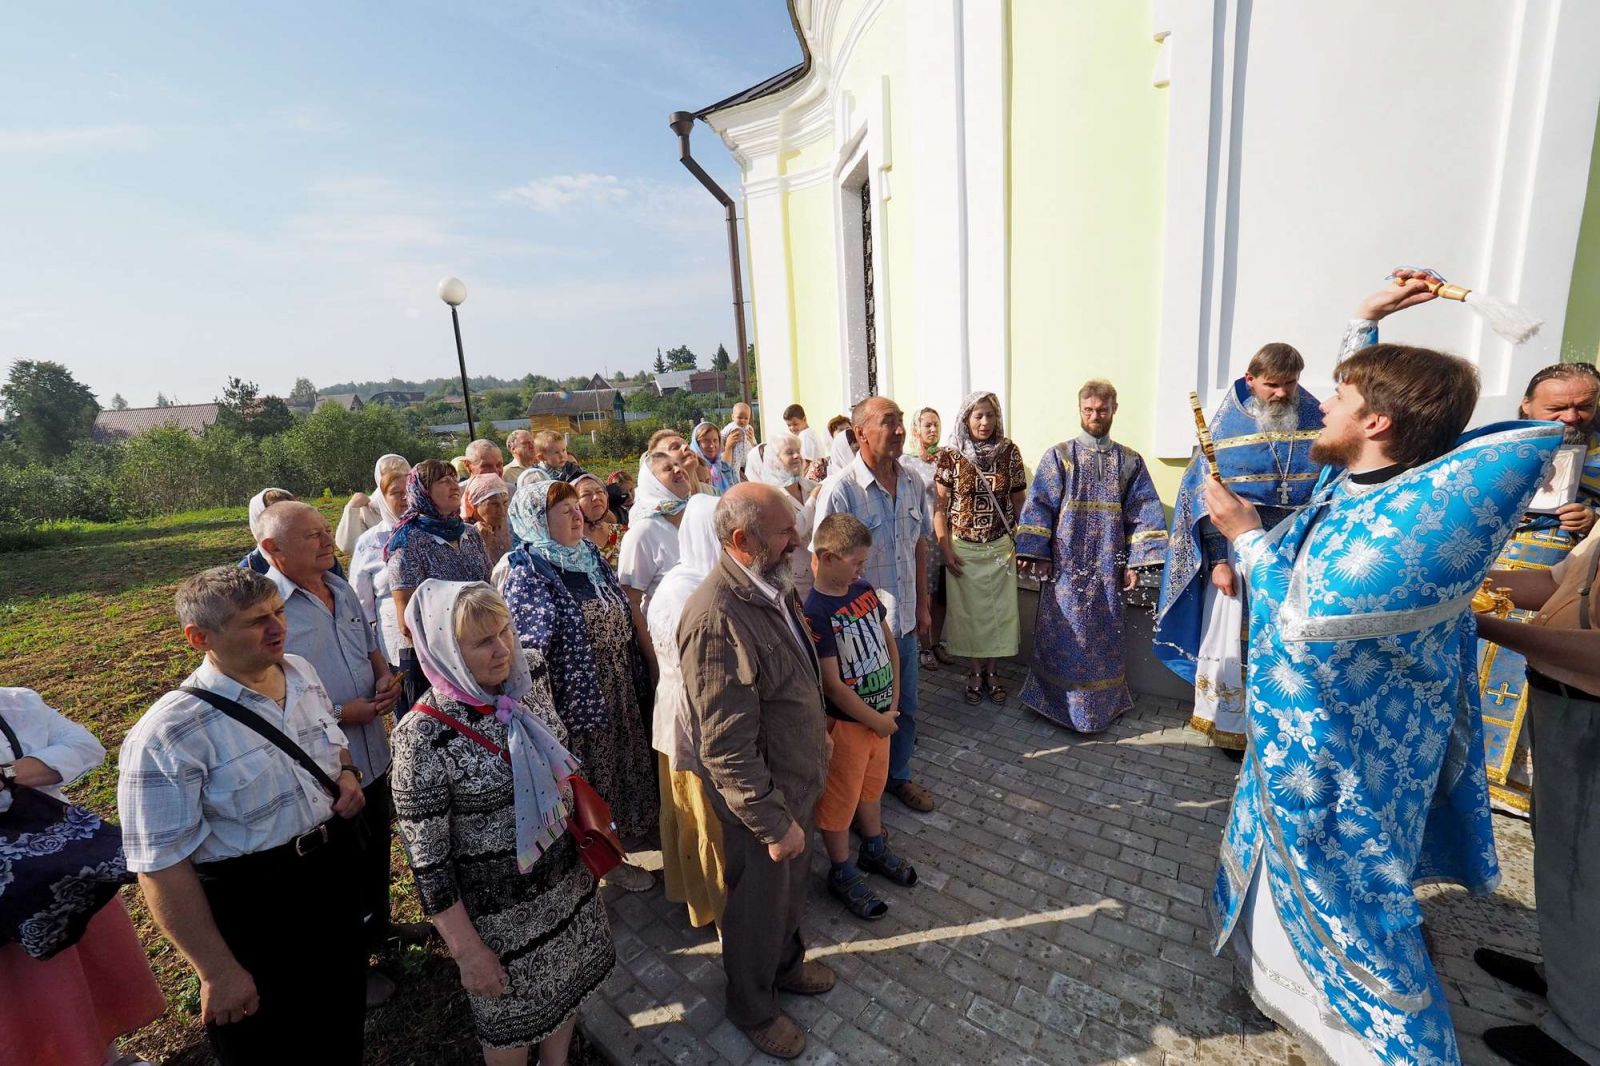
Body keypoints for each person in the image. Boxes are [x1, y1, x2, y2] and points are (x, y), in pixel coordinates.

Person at [1200, 323, 1563, 1065]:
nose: (1319, 406)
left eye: (1338, 394)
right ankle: (1283, 990)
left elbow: (1310, 621)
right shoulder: (1373, 484)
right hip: (1309, 745)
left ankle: (1394, 1044)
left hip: (1348, 772)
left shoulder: (1404, 528)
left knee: (1354, 911)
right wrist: (1368, 319)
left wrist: (1244, 537)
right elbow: (1338, 483)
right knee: (1283, 894)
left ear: (1377, 421)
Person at [119, 567, 368, 1065]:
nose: (278, 627)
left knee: (341, 1023)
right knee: (271, 1044)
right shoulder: (168, 734)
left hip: (330, 880)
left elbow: (333, 745)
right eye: (256, 621)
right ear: (200, 638)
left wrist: (346, 777)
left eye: (277, 612)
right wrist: (217, 971)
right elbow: (161, 867)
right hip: (255, 907)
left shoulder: (300, 671)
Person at [391, 580, 615, 1066]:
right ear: (447, 650)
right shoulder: (421, 737)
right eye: (483, 641)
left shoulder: (525, 680)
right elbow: (430, 869)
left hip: (565, 889)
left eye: (505, 631)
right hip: (501, 926)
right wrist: (468, 953)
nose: (503, 649)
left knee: (568, 991)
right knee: (510, 1031)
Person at [679, 484, 834, 1060]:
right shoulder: (716, 617)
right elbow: (725, 746)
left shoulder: (771, 585)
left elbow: (793, 676)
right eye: (783, 533)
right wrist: (772, 822)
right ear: (742, 541)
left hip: (795, 783)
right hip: (760, 804)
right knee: (756, 908)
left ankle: (786, 966)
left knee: (790, 894)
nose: (796, 541)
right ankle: (753, 1005)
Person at [257, 502, 415, 1004]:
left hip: (373, 751)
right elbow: (271, 694)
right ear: (272, 550)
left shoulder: (339, 587)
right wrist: (345, 713)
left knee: (374, 854)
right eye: (312, 537)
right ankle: (353, 966)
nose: (328, 542)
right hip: (326, 767)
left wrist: (385, 677)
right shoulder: (265, 611)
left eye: (327, 531)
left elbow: (369, 645)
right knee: (338, 869)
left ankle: (380, 929)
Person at [1152, 343, 1322, 754]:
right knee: (1237, 642)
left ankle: (1284, 727)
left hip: (1300, 558)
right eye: (1272, 385)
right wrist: (1215, 563)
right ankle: (1233, 730)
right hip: (1237, 559)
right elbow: (1204, 500)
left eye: (1291, 384)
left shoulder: (1317, 420)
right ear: (1251, 381)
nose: (1282, 394)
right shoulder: (1227, 429)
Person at [1472, 524, 1600, 1066]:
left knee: (1584, 870)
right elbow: (1557, 580)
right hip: (1565, 698)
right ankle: (1566, 978)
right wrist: (1465, 581)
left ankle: (1580, 1040)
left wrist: (1491, 628)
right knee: (1562, 857)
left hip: (1589, 707)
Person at [502, 480, 659, 893]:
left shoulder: (587, 555)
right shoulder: (530, 571)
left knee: (625, 762)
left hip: (618, 681)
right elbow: (530, 656)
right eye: (563, 510)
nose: (576, 514)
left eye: (576, 506)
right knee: (592, 776)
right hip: (575, 697)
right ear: (538, 520)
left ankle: (623, 834)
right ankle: (606, 861)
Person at [0, 688, 165, 1066]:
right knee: (13, 999)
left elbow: (85, 746)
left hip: (53, 873)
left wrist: (9, 774)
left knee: (74, 978)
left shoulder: (15, 703)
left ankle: (107, 1058)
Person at [1472, 362, 1600, 813]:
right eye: (1558, 407)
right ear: (1526, 405)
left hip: (1555, 590)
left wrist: (1592, 522)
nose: (1572, 417)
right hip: (1496, 572)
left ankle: (1518, 785)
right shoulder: (1496, 446)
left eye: (1583, 407)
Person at [1015, 380, 1167, 733]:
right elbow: (1039, 504)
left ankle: (1099, 709)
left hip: (1108, 567)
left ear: (1114, 409)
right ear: (1079, 410)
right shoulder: (1060, 456)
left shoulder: (1130, 461)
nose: (1095, 416)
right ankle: (1053, 703)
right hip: (1065, 569)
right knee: (1064, 635)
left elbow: (1143, 511)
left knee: (1105, 636)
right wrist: (1037, 552)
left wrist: (1136, 563)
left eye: (1101, 409)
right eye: (1088, 410)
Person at [812, 397, 935, 813]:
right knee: (858, 716)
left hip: (901, 621)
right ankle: (855, 794)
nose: (900, 429)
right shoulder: (841, 490)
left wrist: (922, 606)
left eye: (901, 421)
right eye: (889, 422)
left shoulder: (914, 482)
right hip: (857, 631)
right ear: (860, 432)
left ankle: (896, 777)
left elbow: (918, 545)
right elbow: (821, 561)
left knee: (906, 706)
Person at [804, 513, 918, 923]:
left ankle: (873, 845)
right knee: (840, 800)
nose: (862, 570)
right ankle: (841, 869)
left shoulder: (864, 590)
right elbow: (833, 686)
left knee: (871, 788)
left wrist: (892, 706)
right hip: (851, 727)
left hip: (881, 720)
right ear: (828, 557)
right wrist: (875, 718)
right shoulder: (816, 611)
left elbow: (889, 645)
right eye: (856, 563)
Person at [645, 495, 729, 929]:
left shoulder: (692, 577)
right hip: (694, 717)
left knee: (695, 811)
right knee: (702, 815)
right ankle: (717, 908)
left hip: (687, 712)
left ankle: (697, 893)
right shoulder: (686, 589)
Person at [934, 392, 1027, 705]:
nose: (985, 422)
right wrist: (944, 548)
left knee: (999, 615)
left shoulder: (1009, 451)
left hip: (1001, 547)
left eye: (990, 415)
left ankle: (993, 672)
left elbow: (1018, 501)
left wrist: (1025, 541)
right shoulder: (951, 454)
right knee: (969, 616)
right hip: (964, 549)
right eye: (978, 416)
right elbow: (940, 505)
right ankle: (974, 672)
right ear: (966, 418)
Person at [386, 460, 494, 703]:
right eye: (443, 481)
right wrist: (454, 652)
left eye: (454, 479)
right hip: (439, 661)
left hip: (483, 649)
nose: (454, 486)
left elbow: (488, 589)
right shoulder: (407, 542)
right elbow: (407, 622)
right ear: (422, 491)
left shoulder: (470, 533)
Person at [900, 407, 952, 670]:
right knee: (925, 592)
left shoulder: (947, 459)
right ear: (915, 430)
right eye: (927, 425)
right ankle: (923, 647)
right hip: (923, 536)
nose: (933, 430)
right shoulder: (906, 462)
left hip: (948, 535)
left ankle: (937, 643)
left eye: (936, 425)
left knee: (943, 593)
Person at [350, 459, 410, 674]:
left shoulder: (432, 532)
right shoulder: (370, 542)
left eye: (410, 490)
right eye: (396, 492)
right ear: (382, 499)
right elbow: (361, 600)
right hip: (397, 639)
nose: (405, 497)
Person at [616, 450, 691, 614]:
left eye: (677, 465)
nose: (678, 470)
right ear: (653, 484)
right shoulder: (643, 533)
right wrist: (648, 641)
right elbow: (631, 601)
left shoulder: (696, 518)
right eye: (668, 468)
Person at [754, 432, 821, 599]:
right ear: (775, 460)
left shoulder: (812, 486)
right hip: (796, 575)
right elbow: (795, 530)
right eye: (789, 453)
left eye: (798, 451)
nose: (797, 456)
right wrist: (812, 500)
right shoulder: (770, 495)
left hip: (823, 570)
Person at [335, 453, 409, 556]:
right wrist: (352, 508)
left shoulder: (422, 502)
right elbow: (349, 547)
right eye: (396, 492)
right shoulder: (368, 508)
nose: (404, 497)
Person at [573, 472, 624, 570]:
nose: (596, 497)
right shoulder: (570, 544)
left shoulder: (624, 533)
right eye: (585, 494)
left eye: (600, 492)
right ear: (573, 503)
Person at [461, 473, 513, 567]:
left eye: (505, 503)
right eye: (494, 504)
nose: (502, 510)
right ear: (474, 505)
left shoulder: (512, 527)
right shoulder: (463, 535)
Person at [692, 420, 737, 495]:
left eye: (715, 440)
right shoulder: (692, 471)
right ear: (696, 444)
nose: (712, 445)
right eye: (706, 441)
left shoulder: (726, 468)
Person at [782, 403, 831, 470]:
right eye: (789, 425)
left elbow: (806, 463)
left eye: (795, 424)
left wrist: (799, 479)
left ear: (804, 419)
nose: (792, 428)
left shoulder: (805, 435)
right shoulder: (809, 433)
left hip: (813, 475)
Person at [723, 401, 759, 481]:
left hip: (747, 454)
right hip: (736, 455)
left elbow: (753, 441)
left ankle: (751, 480)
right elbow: (722, 436)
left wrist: (753, 440)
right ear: (733, 417)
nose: (743, 420)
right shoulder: (730, 427)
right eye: (739, 417)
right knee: (735, 470)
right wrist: (724, 444)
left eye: (746, 418)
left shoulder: (749, 428)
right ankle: (736, 482)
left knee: (751, 469)